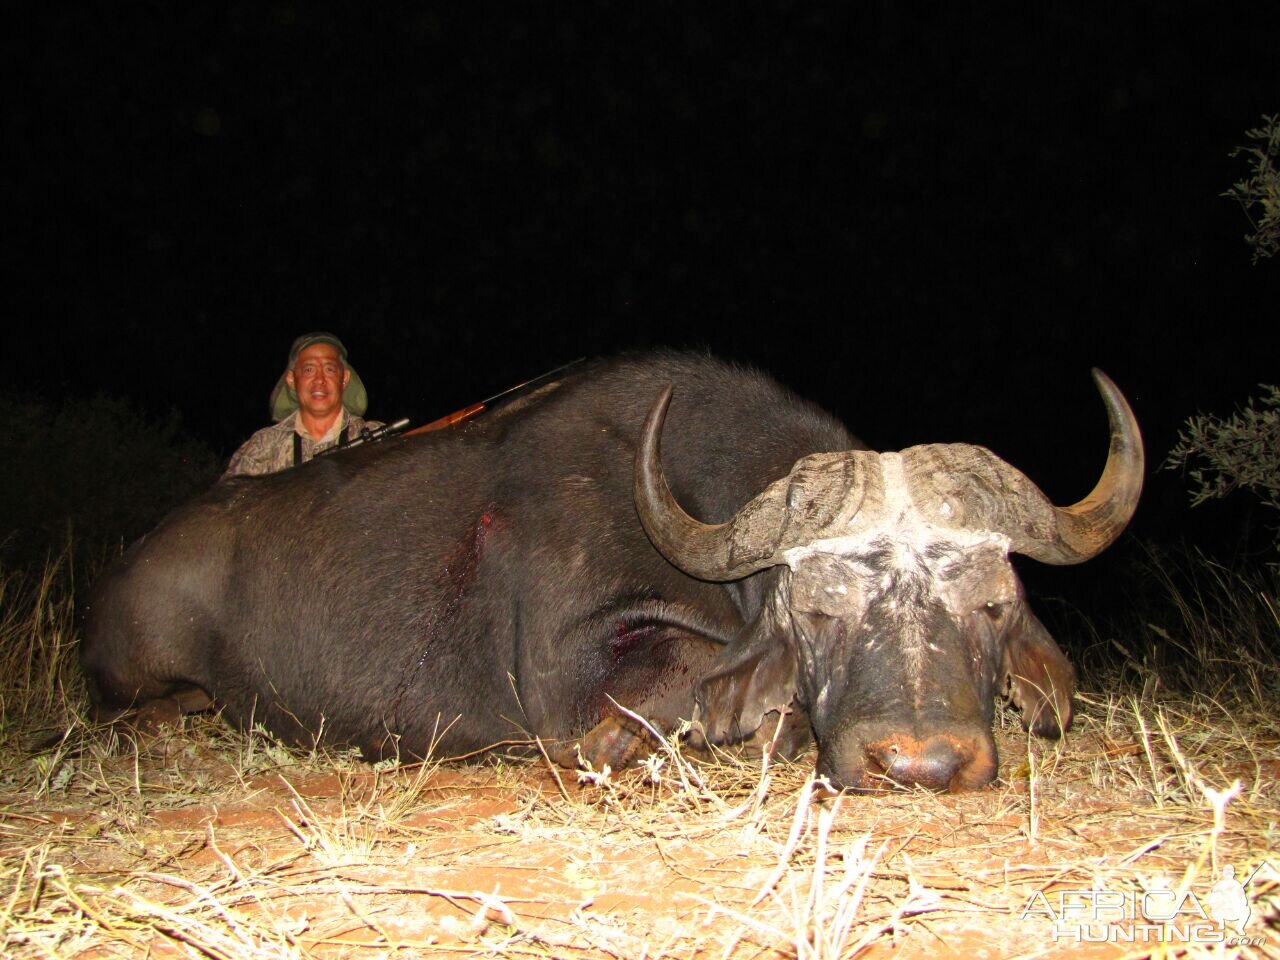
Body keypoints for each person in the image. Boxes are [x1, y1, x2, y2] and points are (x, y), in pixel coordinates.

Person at [223, 332, 384, 478]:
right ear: (292, 380)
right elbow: (227, 505)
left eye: (329, 369)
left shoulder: (377, 440)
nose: (319, 379)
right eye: (308, 370)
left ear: (344, 379)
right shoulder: (263, 446)